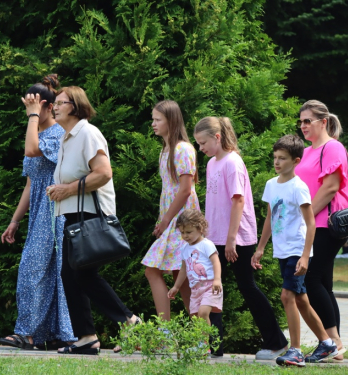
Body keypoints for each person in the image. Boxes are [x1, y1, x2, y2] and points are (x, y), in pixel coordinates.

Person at [46, 86, 140, 355]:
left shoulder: (87, 132)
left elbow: (103, 173)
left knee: (82, 274)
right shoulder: (67, 137)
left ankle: (128, 321)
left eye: (59, 102)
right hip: (74, 212)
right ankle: (86, 336)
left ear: (74, 106)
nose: (54, 106)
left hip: (89, 213)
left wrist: (67, 189)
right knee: (71, 274)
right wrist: (59, 189)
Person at [194, 116, 288, 359]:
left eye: (203, 143)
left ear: (217, 137)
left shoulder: (232, 163)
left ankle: (277, 342)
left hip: (236, 239)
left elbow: (238, 200)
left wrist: (231, 239)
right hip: (215, 237)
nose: (200, 148)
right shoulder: (212, 163)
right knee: (212, 289)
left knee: (248, 287)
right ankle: (213, 347)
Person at [0, 75, 76, 350]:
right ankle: (48, 334)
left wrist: (33, 117)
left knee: (36, 270)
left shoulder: (58, 134)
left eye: (33, 107)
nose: (29, 113)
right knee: (43, 271)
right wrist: (14, 220)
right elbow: (31, 182)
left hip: (56, 211)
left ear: (45, 106)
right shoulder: (38, 133)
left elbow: (32, 150)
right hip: (39, 213)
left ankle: (29, 333)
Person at [251, 135, 338, 366]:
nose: (277, 162)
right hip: (282, 250)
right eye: (275, 158)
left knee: (287, 296)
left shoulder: (299, 187)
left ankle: (296, 351)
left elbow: (311, 223)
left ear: (296, 160)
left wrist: (305, 255)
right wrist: (260, 248)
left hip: (296, 250)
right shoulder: (271, 185)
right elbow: (270, 217)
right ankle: (327, 343)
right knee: (301, 300)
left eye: (282, 158)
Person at [294, 100, 348, 361]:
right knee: (325, 284)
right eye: (301, 121)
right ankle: (336, 346)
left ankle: (332, 342)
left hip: (326, 224)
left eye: (308, 120)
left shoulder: (333, 147)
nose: (303, 125)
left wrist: (304, 216)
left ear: (323, 122)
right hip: (312, 225)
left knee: (310, 280)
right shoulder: (307, 152)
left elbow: (330, 188)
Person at [141, 100, 199, 320]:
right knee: (180, 276)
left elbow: (185, 190)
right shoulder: (166, 149)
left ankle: (167, 333)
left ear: (171, 121)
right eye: (153, 119)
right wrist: (163, 219)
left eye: (158, 119)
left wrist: (166, 220)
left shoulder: (182, 148)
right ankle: (196, 334)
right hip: (172, 220)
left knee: (154, 270)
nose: (153, 124)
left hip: (182, 221)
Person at [168, 209, 222, 347]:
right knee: (194, 317)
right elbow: (184, 269)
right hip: (195, 290)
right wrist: (176, 287)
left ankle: (205, 345)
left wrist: (217, 280)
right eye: (182, 233)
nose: (185, 236)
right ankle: (199, 343)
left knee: (203, 312)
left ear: (200, 228)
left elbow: (216, 261)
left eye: (189, 232)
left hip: (209, 286)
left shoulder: (206, 244)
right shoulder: (185, 249)